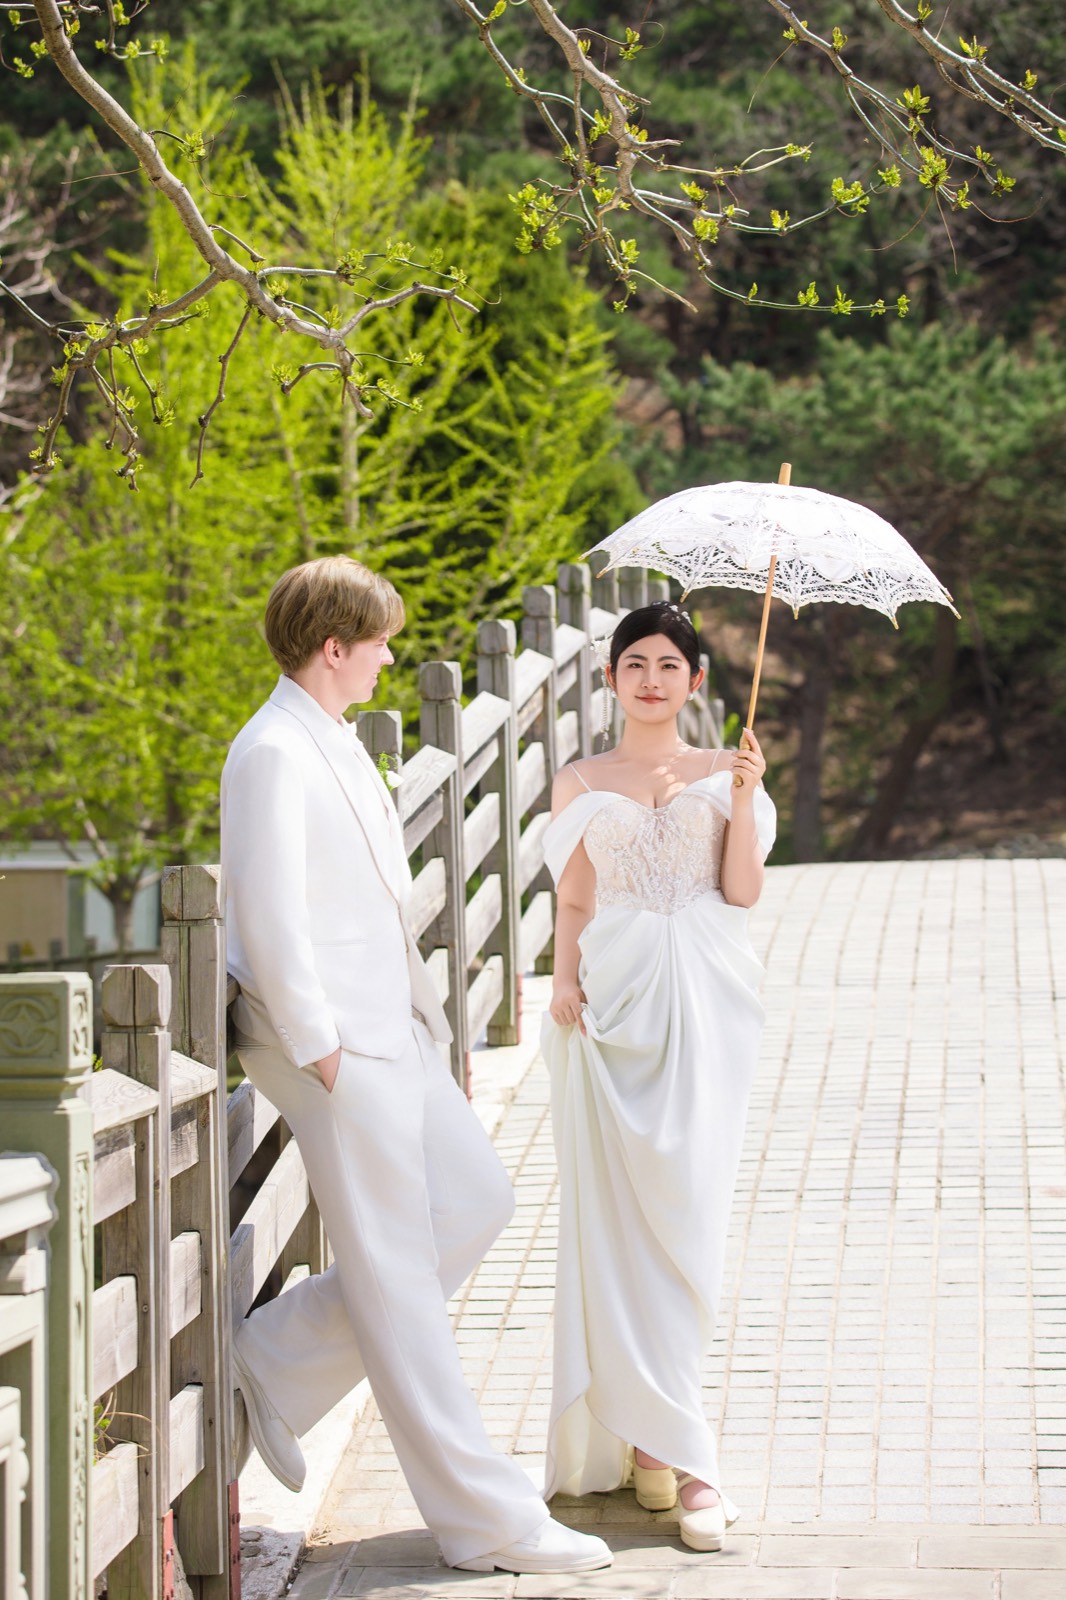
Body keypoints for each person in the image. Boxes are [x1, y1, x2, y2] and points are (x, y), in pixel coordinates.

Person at [221, 555, 610, 1575]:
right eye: (380, 642)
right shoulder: (270, 753)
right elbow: (267, 912)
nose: (391, 659)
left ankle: (271, 1358)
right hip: (333, 1047)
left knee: (477, 1201)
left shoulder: (334, 739)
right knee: (396, 1276)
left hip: (392, 1031)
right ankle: (487, 1519)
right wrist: (323, 1052)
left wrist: (413, 1025)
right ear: (333, 647)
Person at [541, 600, 775, 1552]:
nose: (650, 679)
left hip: (707, 1009)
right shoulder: (579, 779)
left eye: (668, 665)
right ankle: (658, 1450)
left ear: (696, 680)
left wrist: (746, 796)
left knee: (688, 1219)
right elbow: (575, 897)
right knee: (619, 1222)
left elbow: (743, 891)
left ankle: (678, 1451)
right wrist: (562, 980)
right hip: (614, 1009)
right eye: (633, 663)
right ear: (609, 678)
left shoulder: (726, 769)